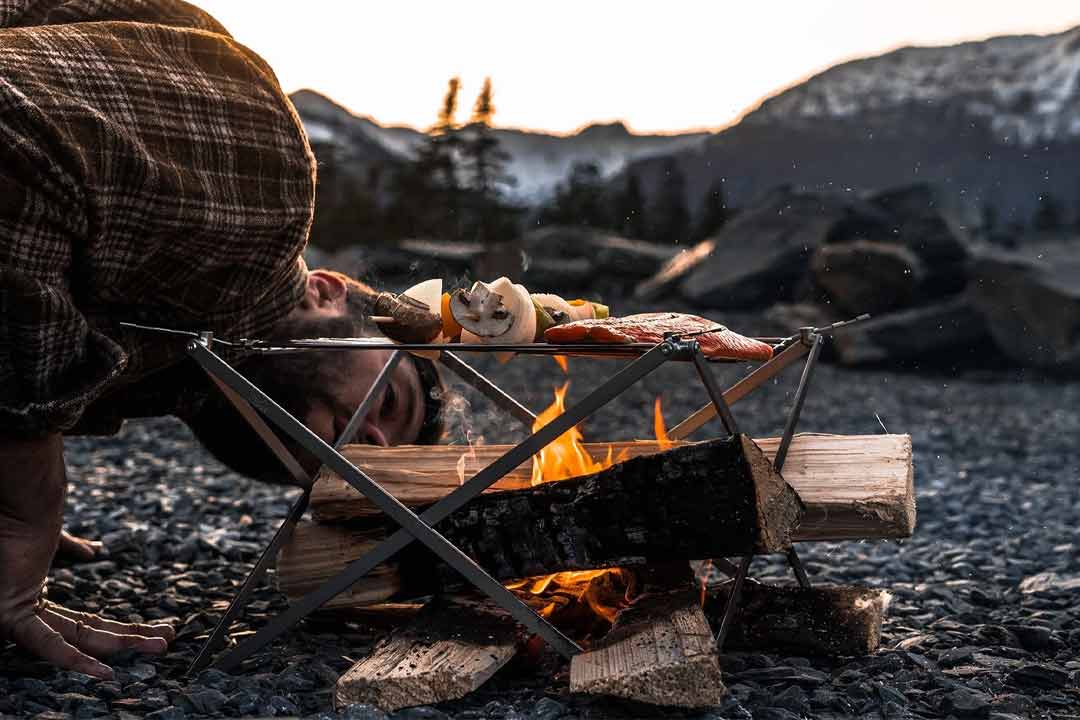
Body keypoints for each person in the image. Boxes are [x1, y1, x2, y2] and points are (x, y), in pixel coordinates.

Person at [0, 0, 443, 679]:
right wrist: (28, 487)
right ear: (327, 291)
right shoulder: (269, 185)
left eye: (369, 470)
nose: (369, 447)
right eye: (389, 401)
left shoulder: (168, 362)